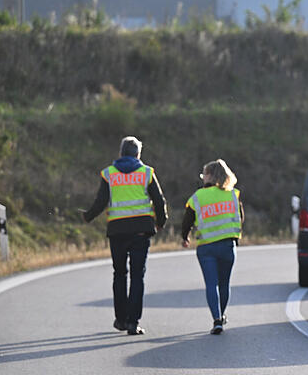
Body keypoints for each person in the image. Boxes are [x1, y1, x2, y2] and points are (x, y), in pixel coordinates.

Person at [84, 136, 168, 335]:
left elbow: (101, 201)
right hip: (140, 231)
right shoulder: (146, 173)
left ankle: (120, 320)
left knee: (119, 274)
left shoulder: (109, 174)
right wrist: (161, 222)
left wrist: (88, 216)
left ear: (120, 153)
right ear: (138, 153)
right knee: (137, 276)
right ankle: (133, 323)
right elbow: (159, 200)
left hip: (117, 231)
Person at [182, 159, 244, 334]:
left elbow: (187, 221)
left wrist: (185, 237)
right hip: (227, 245)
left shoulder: (198, 197)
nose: (202, 178)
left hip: (206, 247)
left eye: (204, 174)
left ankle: (216, 319)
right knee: (224, 284)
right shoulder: (233, 195)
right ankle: (222, 315)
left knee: (211, 284)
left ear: (209, 176)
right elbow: (240, 217)